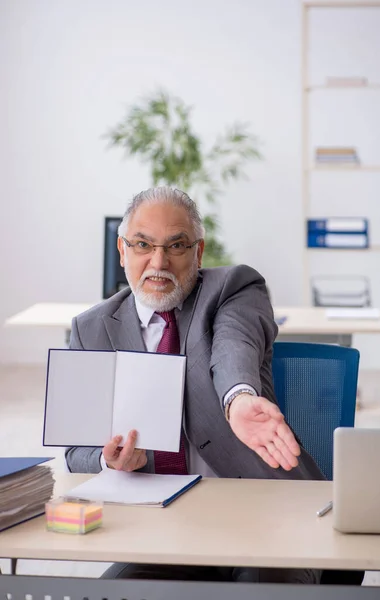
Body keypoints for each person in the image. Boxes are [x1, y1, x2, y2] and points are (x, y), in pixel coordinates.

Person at [65, 186, 324, 584]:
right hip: (162, 529)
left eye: (177, 246)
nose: (158, 261)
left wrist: (239, 398)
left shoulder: (233, 290)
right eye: (143, 245)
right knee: (116, 591)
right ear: (122, 251)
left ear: (198, 253)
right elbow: (74, 450)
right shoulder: (92, 328)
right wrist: (107, 460)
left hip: (265, 515)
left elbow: (234, 347)